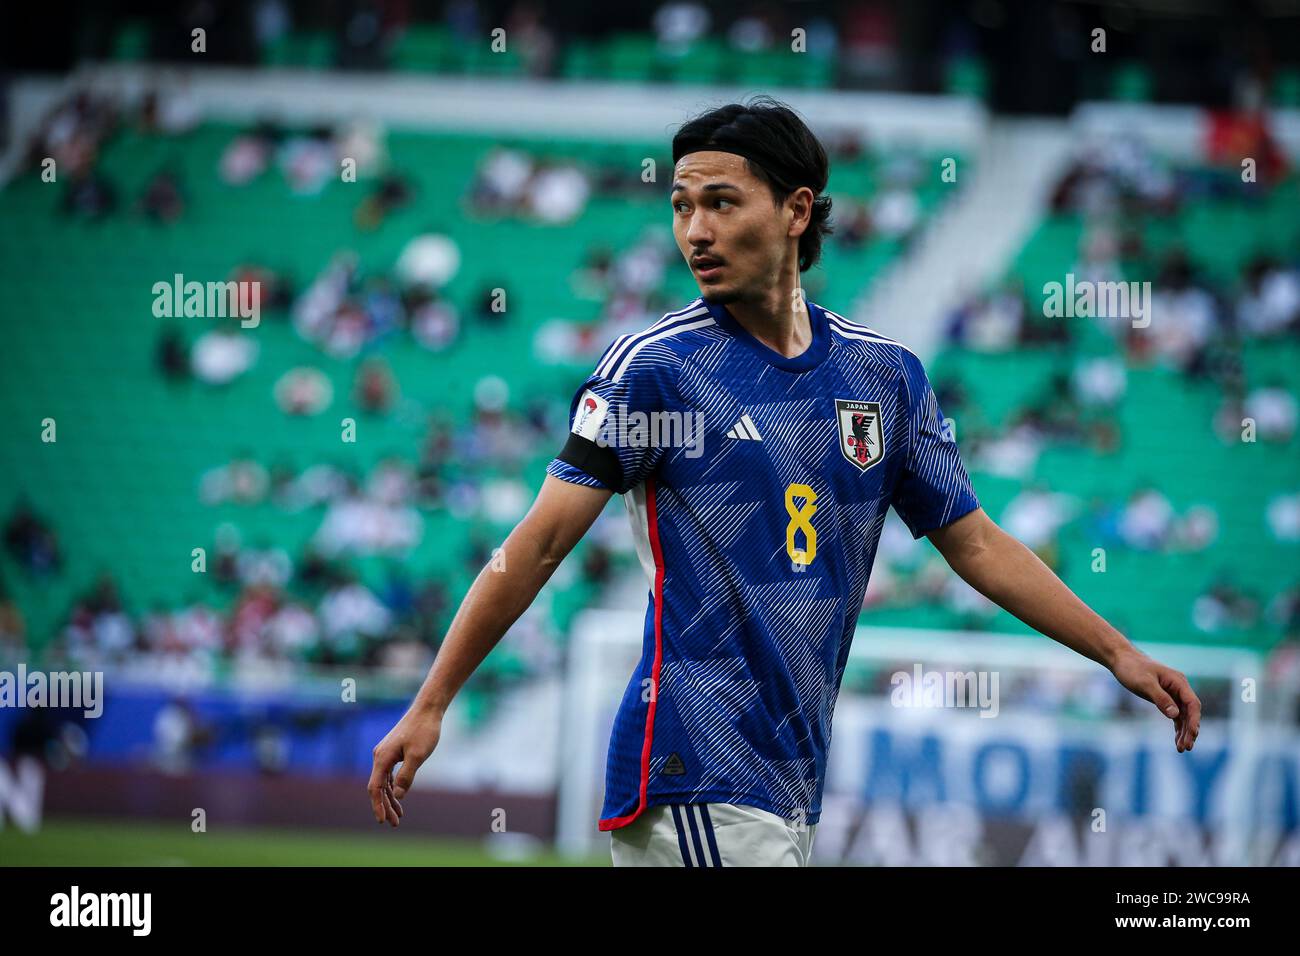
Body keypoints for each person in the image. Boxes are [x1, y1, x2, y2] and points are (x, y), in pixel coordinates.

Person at [368, 96, 1201, 867]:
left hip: (791, 779)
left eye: (722, 202)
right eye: (682, 207)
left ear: (797, 210)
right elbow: (539, 543)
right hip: (695, 763)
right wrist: (434, 699)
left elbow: (976, 543)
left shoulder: (885, 378)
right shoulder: (656, 373)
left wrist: (1117, 652)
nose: (695, 229)